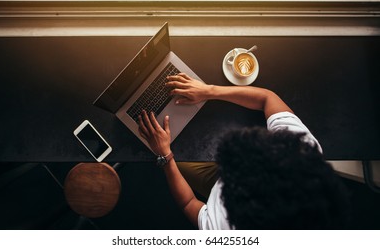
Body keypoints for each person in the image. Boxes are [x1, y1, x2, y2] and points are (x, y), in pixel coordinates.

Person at [138, 73, 350, 230]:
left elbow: (189, 203)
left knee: (180, 160)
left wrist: (165, 156)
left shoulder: (223, 230)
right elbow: (268, 98)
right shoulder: (300, 153)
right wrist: (209, 91)